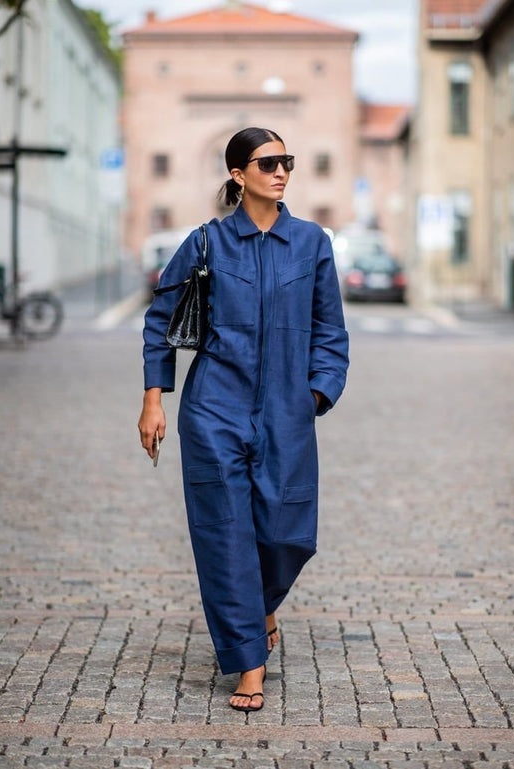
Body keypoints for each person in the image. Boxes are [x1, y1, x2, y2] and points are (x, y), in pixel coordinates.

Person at [138, 127, 349, 713]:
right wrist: (155, 398)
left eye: (287, 162)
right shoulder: (206, 243)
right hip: (213, 409)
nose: (281, 172)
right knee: (225, 535)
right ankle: (248, 665)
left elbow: (330, 330)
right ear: (238, 175)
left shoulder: (311, 243)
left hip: (288, 409)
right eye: (268, 163)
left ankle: (261, 606)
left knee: (287, 530)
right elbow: (161, 320)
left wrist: (316, 394)